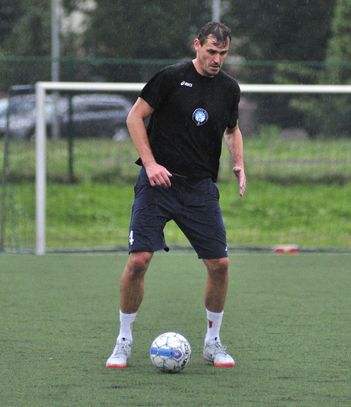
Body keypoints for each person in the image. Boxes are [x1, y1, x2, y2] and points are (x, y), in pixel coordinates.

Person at [105, 22, 246, 369]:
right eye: (211, 51)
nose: (217, 59)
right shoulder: (170, 77)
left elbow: (232, 129)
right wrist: (150, 163)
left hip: (199, 189)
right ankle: (123, 340)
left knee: (220, 265)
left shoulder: (229, 89)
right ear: (197, 45)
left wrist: (239, 163)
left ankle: (212, 343)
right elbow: (134, 118)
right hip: (158, 184)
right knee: (138, 261)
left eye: (223, 53)